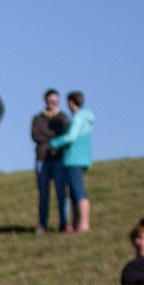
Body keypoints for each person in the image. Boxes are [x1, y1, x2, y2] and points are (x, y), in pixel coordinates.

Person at [29, 91, 74, 234]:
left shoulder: (63, 118)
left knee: (62, 193)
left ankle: (64, 223)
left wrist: (54, 143)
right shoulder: (37, 118)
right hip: (42, 159)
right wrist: (53, 141)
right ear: (45, 100)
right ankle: (42, 225)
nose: (53, 103)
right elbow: (36, 135)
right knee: (43, 194)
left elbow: (65, 135)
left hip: (58, 159)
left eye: (56, 101)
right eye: (50, 100)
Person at [55, 91, 94, 234]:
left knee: (78, 192)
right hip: (80, 158)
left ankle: (84, 224)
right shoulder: (85, 118)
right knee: (73, 193)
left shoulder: (78, 117)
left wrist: (55, 143)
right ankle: (76, 224)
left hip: (73, 159)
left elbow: (71, 137)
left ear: (71, 102)